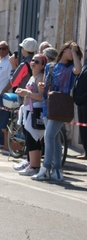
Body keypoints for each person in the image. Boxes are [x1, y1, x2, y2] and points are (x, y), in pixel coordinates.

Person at [32, 41, 82, 181]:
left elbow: (78, 69)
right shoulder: (50, 66)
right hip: (48, 104)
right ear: (64, 49)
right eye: (71, 49)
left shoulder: (71, 67)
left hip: (61, 106)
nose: (73, 53)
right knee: (54, 139)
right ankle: (57, 170)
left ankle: (46, 168)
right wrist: (42, 86)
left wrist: (74, 52)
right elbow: (48, 84)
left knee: (49, 137)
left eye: (75, 51)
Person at [14, 54, 46, 176]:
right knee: (31, 139)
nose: (33, 63)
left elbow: (42, 97)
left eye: (37, 62)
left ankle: (34, 166)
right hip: (28, 110)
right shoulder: (33, 77)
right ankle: (33, 164)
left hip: (34, 111)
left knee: (33, 139)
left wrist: (27, 93)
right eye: (33, 60)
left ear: (42, 65)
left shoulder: (39, 78)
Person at [11, 37, 38, 105]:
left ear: (24, 49)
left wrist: (13, 66)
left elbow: (13, 82)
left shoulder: (24, 65)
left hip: (24, 100)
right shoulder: (38, 63)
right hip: (35, 99)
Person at [73, 50, 87, 160]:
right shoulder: (84, 66)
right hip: (81, 103)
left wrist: (82, 97)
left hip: (84, 101)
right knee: (83, 128)